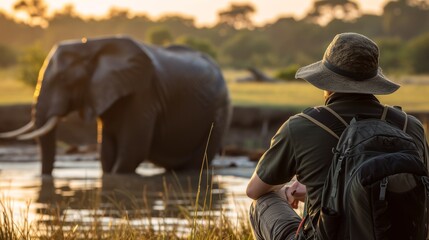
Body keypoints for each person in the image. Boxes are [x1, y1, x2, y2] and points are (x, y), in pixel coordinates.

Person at [246, 32, 429, 240]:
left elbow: (254, 189)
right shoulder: (410, 126)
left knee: (262, 201)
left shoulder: (302, 125)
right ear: (373, 81)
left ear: (326, 82)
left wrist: (286, 190)